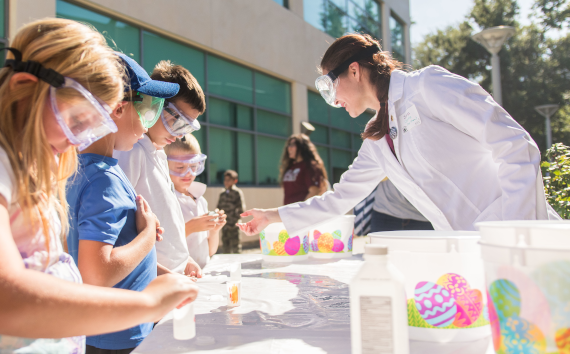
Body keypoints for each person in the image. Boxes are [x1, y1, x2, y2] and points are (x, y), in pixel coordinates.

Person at [0, 18, 197, 354]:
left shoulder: (17, 161)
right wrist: (147, 303)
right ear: (25, 86)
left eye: (92, 126)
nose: (78, 141)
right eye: (76, 120)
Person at [237, 33, 559, 239]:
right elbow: (340, 199)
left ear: (354, 70)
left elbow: (515, 145)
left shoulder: (428, 86)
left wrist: (517, 231)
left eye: (329, 86)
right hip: (473, 251)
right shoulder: (377, 140)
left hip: (523, 237)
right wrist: (271, 215)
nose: (332, 100)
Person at [66, 53, 177, 354]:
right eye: (149, 108)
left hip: (96, 330)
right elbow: (97, 274)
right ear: (118, 109)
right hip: (119, 334)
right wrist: (147, 233)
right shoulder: (103, 180)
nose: (148, 122)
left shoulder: (78, 170)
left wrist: (161, 271)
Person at [115, 61, 205, 277]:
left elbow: (166, 218)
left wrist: (185, 259)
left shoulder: (159, 154)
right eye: (177, 121)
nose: (181, 134)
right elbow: (121, 234)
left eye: (188, 127)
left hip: (171, 278)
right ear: (154, 105)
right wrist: (163, 274)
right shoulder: (132, 152)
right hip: (151, 280)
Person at [165, 134, 226, 268]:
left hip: (202, 274)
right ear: (164, 165)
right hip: (179, 276)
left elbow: (210, 251)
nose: (188, 173)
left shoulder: (200, 199)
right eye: (180, 167)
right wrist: (191, 227)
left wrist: (214, 230)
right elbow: (162, 247)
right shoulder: (165, 200)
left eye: (193, 166)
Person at [280, 134, 329, 205]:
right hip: (288, 212)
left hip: (301, 213)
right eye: (288, 145)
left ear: (302, 147)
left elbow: (314, 192)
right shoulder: (291, 166)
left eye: (292, 145)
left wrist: (300, 210)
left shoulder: (310, 165)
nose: (289, 148)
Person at [217, 170, 246, 254]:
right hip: (224, 225)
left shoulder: (237, 193)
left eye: (229, 180)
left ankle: (238, 266)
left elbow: (241, 210)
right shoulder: (222, 194)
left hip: (234, 226)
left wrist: (234, 221)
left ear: (235, 181)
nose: (226, 182)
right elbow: (218, 208)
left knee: (236, 248)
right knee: (226, 249)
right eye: (225, 180)